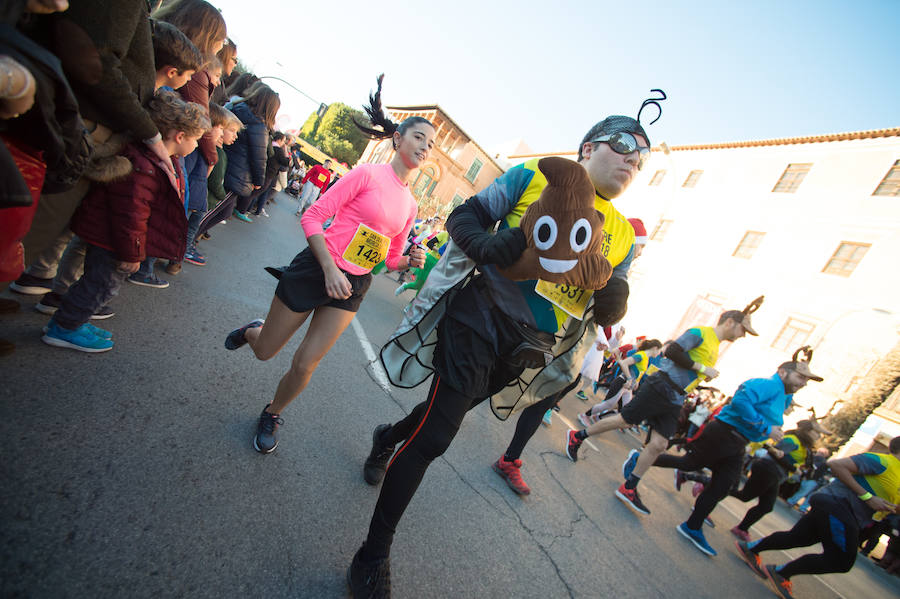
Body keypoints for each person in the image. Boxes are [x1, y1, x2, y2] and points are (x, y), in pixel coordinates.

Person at [350, 108, 659, 597]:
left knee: (439, 416)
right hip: (478, 318)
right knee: (437, 437)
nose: (632, 160)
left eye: (641, 158)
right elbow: (465, 216)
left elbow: (606, 295)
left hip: (528, 347)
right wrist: (489, 245)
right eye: (622, 145)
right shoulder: (532, 175)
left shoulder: (623, 235)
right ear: (587, 148)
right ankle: (372, 554)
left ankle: (387, 435)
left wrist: (614, 299)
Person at [224, 75, 430, 454]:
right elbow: (313, 217)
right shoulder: (367, 174)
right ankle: (254, 330)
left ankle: (272, 412)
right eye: (419, 137)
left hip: (353, 286)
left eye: (430, 144)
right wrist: (331, 269)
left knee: (305, 364)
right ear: (398, 139)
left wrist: (408, 261)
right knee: (266, 350)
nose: (426, 147)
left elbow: (388, 259)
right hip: (317, 269)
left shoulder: (412, 205)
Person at [41, 90, 208, 351]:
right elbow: (132, 215)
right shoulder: (148, 166)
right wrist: (132, 253)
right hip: (113, 239)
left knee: (98, 283)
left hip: (112, 236)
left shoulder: (158, 159)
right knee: (99, 285)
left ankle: (71, 321)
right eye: (197, 139)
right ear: (180, 136)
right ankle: (65, 327)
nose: (198, 145)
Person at [565, 301, 761, 517]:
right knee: (625, 420)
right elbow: (672, 351)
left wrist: (702, 375)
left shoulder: (715, 346)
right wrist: (703, 368)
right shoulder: (700, 333)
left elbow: (689, 368)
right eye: (743, 330)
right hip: (661, 385)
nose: (743, 335)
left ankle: (629, 487)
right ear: (730, 322)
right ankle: (577, 436)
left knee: (660, 444)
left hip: (677, 397)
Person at [646, 350, 823, 556]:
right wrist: (766, 429)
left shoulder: (784, 396)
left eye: (806, 380)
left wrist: (768, 437)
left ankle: (692, 526)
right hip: (724, 433)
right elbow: (740, 401)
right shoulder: (767, 384)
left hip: (738, 442)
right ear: (783, 373)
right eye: (800, 377)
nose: (803, 383)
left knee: (724, 485)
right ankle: (641, 461)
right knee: (688, 463)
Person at [735, 436, 900, 599]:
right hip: (839, 506)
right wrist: (867, 497)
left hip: (842, 511)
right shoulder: (881, 461)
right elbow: (836, 465)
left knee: (798, 538)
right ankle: (781, 573)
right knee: (841, 561)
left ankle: (751, 548)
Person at [728, 419, 825, 543]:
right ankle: (708, 484)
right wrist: (793, 468)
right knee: (744, 496)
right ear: (808, 431)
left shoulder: (803, 445)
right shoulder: (792, 439)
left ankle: (742, 528)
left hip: (775, 474)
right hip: (768, 470)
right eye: (817, 433)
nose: (818, 436)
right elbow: (773, 451)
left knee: (766, 506)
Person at [223, 82, 279, 223]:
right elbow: (259, 158)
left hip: (223, 162)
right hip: (237, 173)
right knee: (216, 211)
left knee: (212, 210)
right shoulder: (258, 126)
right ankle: (189, 241)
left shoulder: (236, 107)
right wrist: (258, 181)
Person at [193, 103, 242, 241]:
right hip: (205, 200)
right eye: (232, 131)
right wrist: (222, 195)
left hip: (204, 199)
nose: (235, 136)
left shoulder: (220, 153)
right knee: (192, 227)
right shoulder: (218, 154)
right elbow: (215, 181)